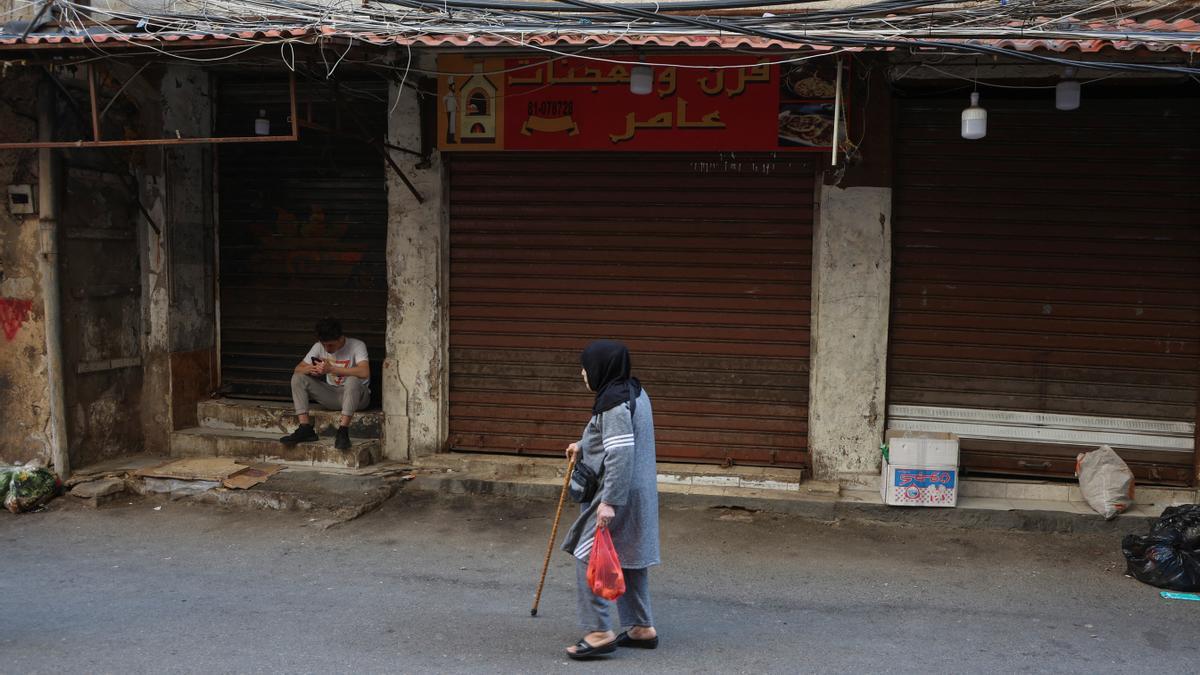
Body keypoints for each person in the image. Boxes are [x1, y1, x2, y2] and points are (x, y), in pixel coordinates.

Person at [560, 339, 660, 661]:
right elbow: (618, 440)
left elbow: (619, 453)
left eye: (586, 367)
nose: (582, 373)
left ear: (601, 369)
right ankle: (640, 628)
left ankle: (598, 632)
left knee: (587, 554)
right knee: (630, 556)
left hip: (617, 493)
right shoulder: (633, 392)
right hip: (638, 492)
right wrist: (584, 445)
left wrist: (608, 503)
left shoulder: (613, 404)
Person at [280, 318, 370, 451]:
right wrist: (311, 369)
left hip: (358, 397)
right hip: (333, 396)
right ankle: (305, 428)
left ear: (341, 338)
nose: (327, 349)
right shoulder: (318, 346)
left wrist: (332, 369)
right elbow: (298, 369)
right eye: (324, 345)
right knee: (298, 378)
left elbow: (364, 372)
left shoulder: (357, 345)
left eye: (331, 345)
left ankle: (343, 431)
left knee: (352, 379)